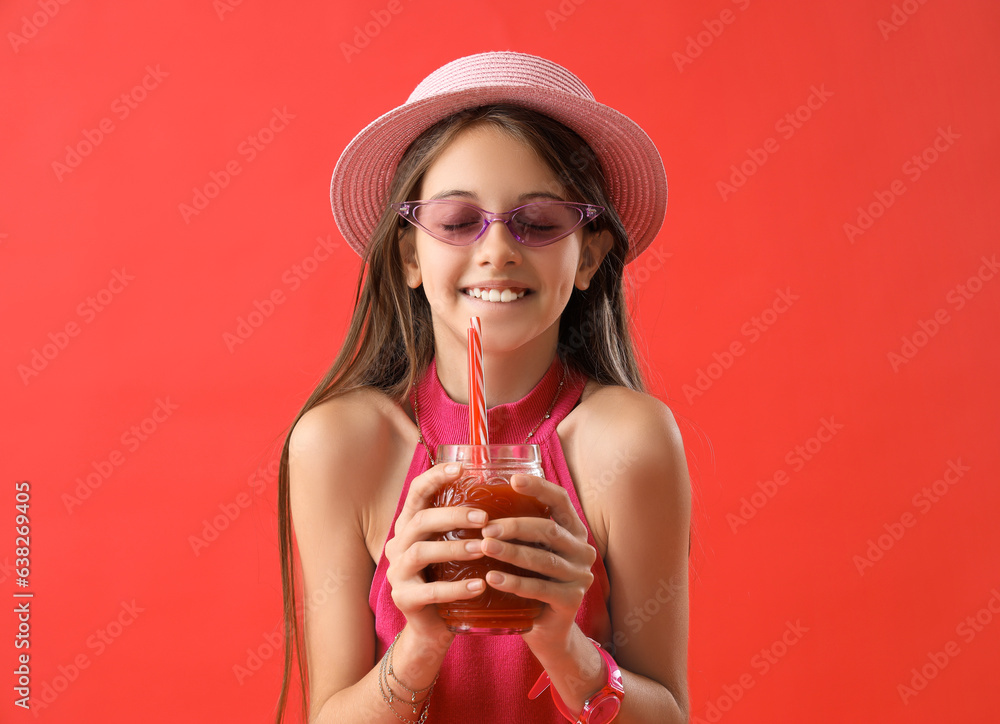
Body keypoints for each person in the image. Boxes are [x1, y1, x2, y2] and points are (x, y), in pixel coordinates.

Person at [275, 51, 691, 724]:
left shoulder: (629, 440)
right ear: (411, 255)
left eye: (541, 221)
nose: (498, 250)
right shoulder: (340, 443)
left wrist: (565, 646)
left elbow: (669, 714)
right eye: (457, 220)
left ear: (587, 255)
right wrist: (420, 644)